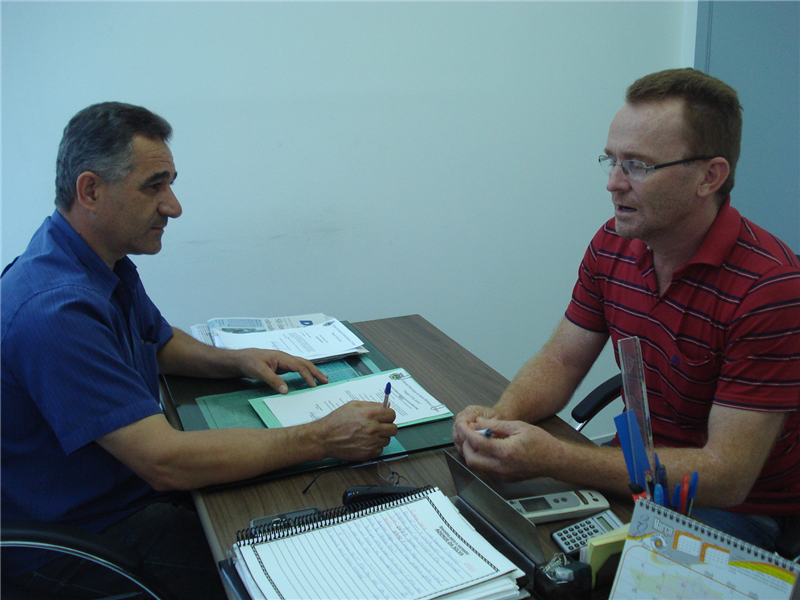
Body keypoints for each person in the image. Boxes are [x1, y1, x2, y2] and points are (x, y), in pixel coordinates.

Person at [0, 102, 398, 598]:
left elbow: (158, 341)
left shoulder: (93, 261)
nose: (173, 205)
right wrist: (320, 438)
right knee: (300, 567)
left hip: (119, 495)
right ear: (91, 190)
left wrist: (235, 359)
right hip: (84, 538)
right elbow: (166, 462)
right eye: (154, 185)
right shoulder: (54, 313)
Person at [453, 68, 800, 551]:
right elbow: (561, 360)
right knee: (498, 536)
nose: (613, 184)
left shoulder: (772, 287)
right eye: (611, 160)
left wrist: (556, 458)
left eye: (637, 165)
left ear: (709, 176)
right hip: (637, 471)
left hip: (736, 508)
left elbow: (727, 476)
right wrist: (495, 422)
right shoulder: (614, 243)